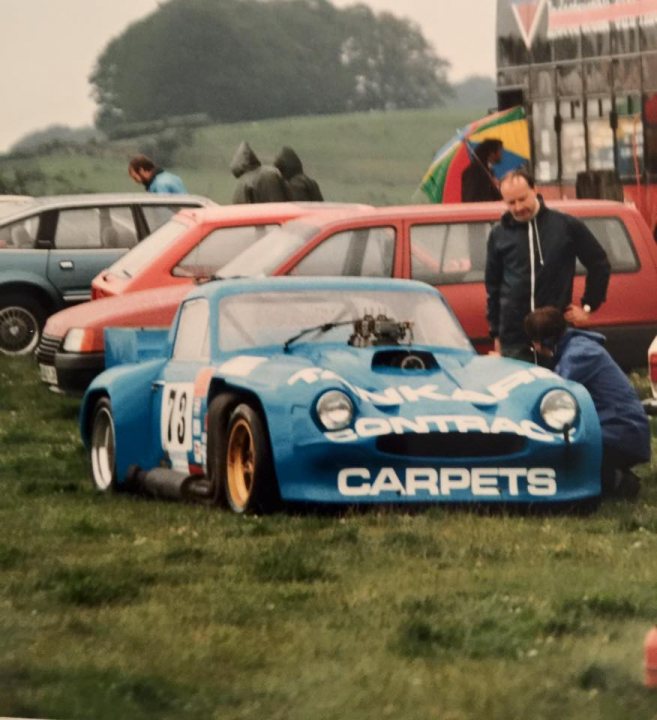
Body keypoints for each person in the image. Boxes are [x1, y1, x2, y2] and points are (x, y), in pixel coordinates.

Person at [524, 306, 651, 499]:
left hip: (623, 433)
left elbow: (554, 394)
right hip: (621, 429)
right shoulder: (577, 348)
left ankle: (619, 483)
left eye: (535, 343)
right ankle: (615, 476)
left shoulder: (578, 356)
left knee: (560, 449)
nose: (536, 349)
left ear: (545, 341)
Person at [485, 168, 611, 361]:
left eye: (522, 199)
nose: (518, 207)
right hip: (514, 338)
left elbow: (599, 263)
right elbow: (493, 287)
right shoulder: (498, 234)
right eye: (511, 202)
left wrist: (588, 307)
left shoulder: (566, 225)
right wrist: (496, 334)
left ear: (535, 189)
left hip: (555, 336)